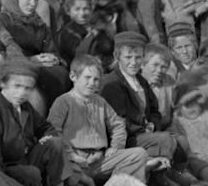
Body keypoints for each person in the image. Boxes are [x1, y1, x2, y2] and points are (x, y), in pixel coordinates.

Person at [99, 31, 186, 185]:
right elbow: (117, 120)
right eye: (128, 57)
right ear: (117, 56)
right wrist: (141, 128)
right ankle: (157, 176)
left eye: (138, 57)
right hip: (125, 139)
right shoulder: (111, 83)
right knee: (166, 140)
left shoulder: (140, 81)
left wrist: (153, 124)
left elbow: (154, 111)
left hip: (143, 135)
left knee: (176, 141)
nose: (134, 62)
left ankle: (163, 174)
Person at [48, 55, 150, 183]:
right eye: (87, 78)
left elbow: (118, 124)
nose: (92, 83)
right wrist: (72, 155)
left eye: (96, 79)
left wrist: (115, 146)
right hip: (74, 161)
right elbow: (53, 131)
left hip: (98, 159)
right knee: (69, 174)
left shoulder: (100, 102)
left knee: (139, 154)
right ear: (73, 77)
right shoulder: (63, 102)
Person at [0, 59, 66, 186]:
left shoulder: (24, 106)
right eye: (17, 86)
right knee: (32, 173)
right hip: (5, 167)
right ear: (3, 83)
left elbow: (45, 127)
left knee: (55, 143)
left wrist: (46, 137)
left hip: (26, 158)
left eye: (27, 88)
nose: (22, 93)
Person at [0, 0, 69, 112]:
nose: (33, 3)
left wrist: (53, 58)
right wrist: (31, 60)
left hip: (40, 65)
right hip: (16, 66)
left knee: (61, 73)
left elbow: (51, 47)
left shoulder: (37, 21)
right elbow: (8, 49)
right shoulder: (2, 21)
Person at [168, 82, 208, 185]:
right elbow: (184, 154)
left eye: (194, 103)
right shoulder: (177, 124)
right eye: (187, 105)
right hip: (198, 165)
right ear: (179, 108)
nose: (191, 108)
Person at [141, 44, 176, 131]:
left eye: (163, 67)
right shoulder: (135, 83)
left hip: (167, 130)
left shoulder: (169, 82)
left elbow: (178, 110)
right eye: (155, 65)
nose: (159, 71)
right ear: (143, 64)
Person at [55, 0, 94, 65]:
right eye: (77, 9)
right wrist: (93, 34)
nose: (82, 14)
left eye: (86, 9)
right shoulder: (67, 33)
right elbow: (80, 55)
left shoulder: (95, 25)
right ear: (68, 11)